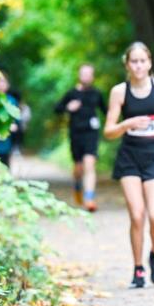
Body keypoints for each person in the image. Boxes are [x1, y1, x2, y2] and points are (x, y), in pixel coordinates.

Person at [104, 42, 154, 289]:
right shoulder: (119, 92)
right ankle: (138, 269)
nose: (138, 66)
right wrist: (127, 124)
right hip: (129, 158)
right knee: (137, 216)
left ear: (149, 63)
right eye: (133, 61)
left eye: (142, 61)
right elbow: (108, 131)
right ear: (127, 64)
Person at [54, 65, 106, 212]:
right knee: (79, 169)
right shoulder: (71, 93)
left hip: (92, 133)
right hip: (76, 134)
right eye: (83, 73)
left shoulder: (97, 93)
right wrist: (68, 108)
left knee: (90, 164)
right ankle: (77, 185)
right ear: (79, 75)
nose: (86, 76)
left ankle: (89, 198)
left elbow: (107, 111)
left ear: (93, 76)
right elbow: (57, 108)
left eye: (89, 74)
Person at [0, 71, 20, 168]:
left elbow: (16, 119)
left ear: (8, 85)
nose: (0, 84)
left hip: (4, 141)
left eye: (3, 81)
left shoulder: (11, 100)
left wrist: (14, 125)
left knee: (3, 167)